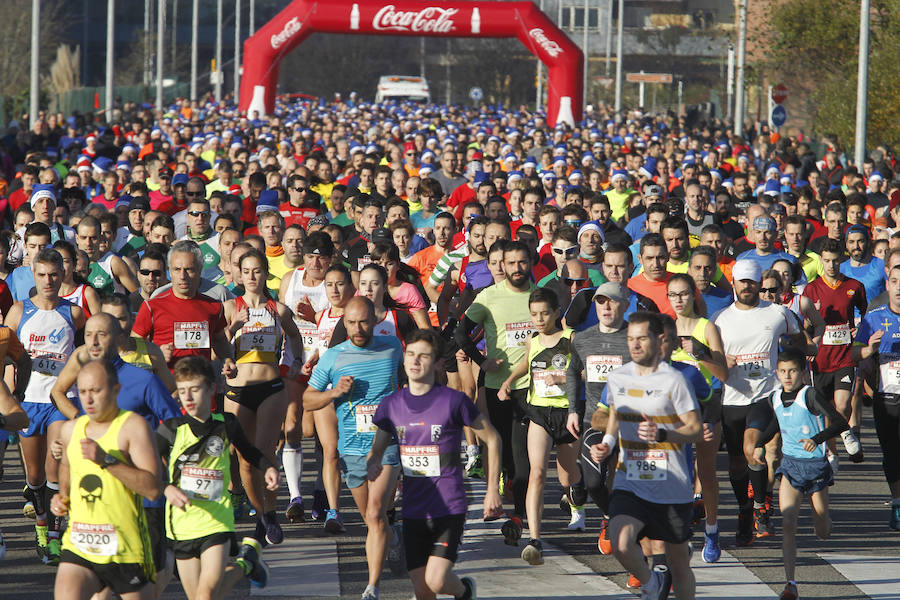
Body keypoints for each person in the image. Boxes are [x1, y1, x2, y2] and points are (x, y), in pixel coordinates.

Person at [49, 312, 182, 591]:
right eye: (88, 335)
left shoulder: (142, 380)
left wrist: (152, 448)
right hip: (95, 511)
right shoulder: (84, 380)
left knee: (152, 579)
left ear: (118, 339)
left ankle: (168, 558)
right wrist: (72, 434)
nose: (94, 341)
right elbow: (60, 397)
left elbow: (173, 422)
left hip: (139, 503)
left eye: (102, 334)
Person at [368, 328, 502, 600]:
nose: (415, 361)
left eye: (424, 356)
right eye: (410, 355)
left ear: (439, 364)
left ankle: (463, 590)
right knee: (422, 591)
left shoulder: (454, 401)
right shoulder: (391, 405)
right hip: (414, 509)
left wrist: (492, 490)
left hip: (448, 506)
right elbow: (379, 444)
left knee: (437, 579)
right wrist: (373, 461)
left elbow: (493, 438)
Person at [590, 311, 703, 600]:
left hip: (672, 486)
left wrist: (663, 434)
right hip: (632, 479)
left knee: (679, 566)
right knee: (621, 541)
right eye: (630, 339)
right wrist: (607, 441)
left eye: (641, 338)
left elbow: (694, 429)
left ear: (657, 339)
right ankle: (650, 583)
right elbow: (616, 412)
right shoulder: (618, 376)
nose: (635, 345)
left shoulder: (674, 380)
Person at [303, 296, 404, 600]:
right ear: (343, 323)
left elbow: (409, 382)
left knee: (374, 514)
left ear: (374, 320)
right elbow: (308, 400)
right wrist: (335, 392)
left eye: (363, 321)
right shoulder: (333, 357)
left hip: (385, 445)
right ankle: (392, 533)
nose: (358, 328)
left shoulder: (393, 348)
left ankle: (372, 586)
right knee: (373, 517)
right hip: (352, 448)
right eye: (351, 322)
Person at [714, 259, 818, 546]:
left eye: (751, 281)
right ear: (733, 283)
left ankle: (761, 507)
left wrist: (801, 354)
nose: (747, 286)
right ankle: (745, 510)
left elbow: (802, 342)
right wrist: (720, 360)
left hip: (766, 397)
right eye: (741, 281)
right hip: (733, 399)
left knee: (754, 450)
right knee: (736, 464)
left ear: (759, 283)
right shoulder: (721, 320)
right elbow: (712, 358)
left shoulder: (778, 314)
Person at [158, 357, 279, 598]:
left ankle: (246, 561)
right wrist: (166, 488)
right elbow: (145, 464)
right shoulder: (171, 429)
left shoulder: (226, 424)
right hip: (181, 526)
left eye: (195, 390)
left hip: (216, 522)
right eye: (182, 391)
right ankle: (247, 563)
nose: (188, 398)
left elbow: (249, 451)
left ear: (213, 388)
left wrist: (268, 468)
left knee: (205, 596)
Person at [50, 360, 163, 600]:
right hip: (80, 543)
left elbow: (153, 489)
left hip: (127, 549)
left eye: (96, 391)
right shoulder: (71, 429)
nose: (88, 399)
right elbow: (67, 467)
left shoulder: (133, 427)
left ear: (115, 390)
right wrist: (62, 496)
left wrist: (107, 460)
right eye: (82, 392)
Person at [743, 350, 847, 600]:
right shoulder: (775, 397)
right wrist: (760, 443)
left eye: (792, 371)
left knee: (822, 531)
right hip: (790, 467)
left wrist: (816, 439)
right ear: (777, 373)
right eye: (782, 371)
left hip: (815, 467)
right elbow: (776, 425)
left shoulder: (809, 395)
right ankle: (790, 584)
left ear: (802, 373)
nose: (787, 376)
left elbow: (839, 422)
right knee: (788, 522)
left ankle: (826, 521)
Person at [6, 247, 87, 563]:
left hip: (59, 400)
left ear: (63, 274)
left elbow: (84, 355)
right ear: (34, 276)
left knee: (56, 470)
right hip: (28, 401)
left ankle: (53, 535)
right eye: (42, 275)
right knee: (36, 476)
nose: (48, 280)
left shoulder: (75, 313)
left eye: (54, 274)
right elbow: (8, 355)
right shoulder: (19, 310)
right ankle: (41, 524)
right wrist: (10, 393)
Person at [455, 241, 536, 547]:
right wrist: (482, 361)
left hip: (534, 388)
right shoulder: (488, 297)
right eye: (509, 263)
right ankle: (512, 505)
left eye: (521, 262)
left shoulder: (539, 296)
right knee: (508, 458)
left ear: (530, 262)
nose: (515, 268)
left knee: (522, 458)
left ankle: (518, 518)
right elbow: (460, 332)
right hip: (497, 389)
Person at [223, 248, 303, 545]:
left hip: (270, 387)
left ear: (265, 272)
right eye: (247, 271)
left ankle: (271, 513)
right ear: (238, 275)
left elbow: (295, 336)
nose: (252, 276)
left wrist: (295, 362)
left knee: (266, 453)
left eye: (257, 270)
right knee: (245, 458)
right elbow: (219, 344)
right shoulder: (231, 307)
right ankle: (260, 513)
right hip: (238, 389)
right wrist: (235, 326)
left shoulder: (278, 310)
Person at [498, 288, 583, 564]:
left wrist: (563, 378)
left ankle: (576, 493)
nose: (539, 319)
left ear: (557, 312)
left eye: (544, 313)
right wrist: (509, 380)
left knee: (567, 477)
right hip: (540, 415)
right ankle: (535, 539)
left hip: (567, 414)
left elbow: (584, 371)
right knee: (536, 473)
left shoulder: (571, 339)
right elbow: (526, 363)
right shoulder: (533, 341)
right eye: (534, 314)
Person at [666, 273, 728, 561]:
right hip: (674, 408)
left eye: (683, 294)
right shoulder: (665, 328)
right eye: (673, 295)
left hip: (706, 405)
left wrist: (700, 352)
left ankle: (712, 531)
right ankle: (679, 531)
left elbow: (723, 373)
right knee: (677, 472)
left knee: (706, 470)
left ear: (694, 295)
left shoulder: (707, 327)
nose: (678, 300)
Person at [802, 238, 867, 464]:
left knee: (841, 404)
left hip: (845, 357)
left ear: (842, 260)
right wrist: (812, 320)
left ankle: (846, 433)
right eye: (827, 261)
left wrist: (858, 327)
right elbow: (804, 327)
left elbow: (865, 316)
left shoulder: (854, 286)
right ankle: (832, 452)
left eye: (835, 261)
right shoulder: (811, 289)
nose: (831, 266)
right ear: (821, 260)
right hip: (820, 360)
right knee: (825, 411)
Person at [132, 240, 235, 372]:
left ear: (199, 269)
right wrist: (154, 354)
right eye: (176, 270)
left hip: (201, 386)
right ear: (169, 271)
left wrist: (227, 360)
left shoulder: (214, 306)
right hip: (167, 387)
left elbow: (219, 340)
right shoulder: (152, 306)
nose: (182, 276)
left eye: (188, 270)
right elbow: (131, 348)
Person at [852, 263, 900, 531]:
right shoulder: (874, 317)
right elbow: (853, 355)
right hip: (886, 397)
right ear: (888, 285)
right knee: (892, 455)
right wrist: (869, 351)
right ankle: (896, 502)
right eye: (895, 281)